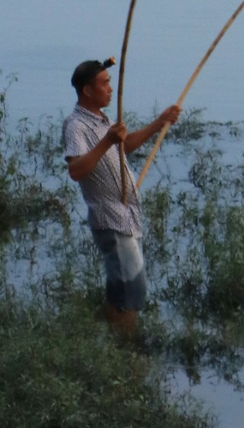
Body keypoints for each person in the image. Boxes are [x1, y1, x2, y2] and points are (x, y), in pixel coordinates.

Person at [62, 57, 180, 338]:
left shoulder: (102, 120)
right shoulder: (76, 125)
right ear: (87, 91)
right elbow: (76, 170)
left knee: (122, 287)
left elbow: (124, 146)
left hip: (126, 217)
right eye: (104, 84)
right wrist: (107, 142)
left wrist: (159, 122)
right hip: (110, 219)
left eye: (110, 82)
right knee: (132, 289)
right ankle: (127, 348)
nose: (110, 89)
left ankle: (114, 342)